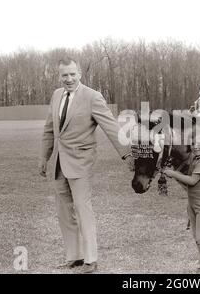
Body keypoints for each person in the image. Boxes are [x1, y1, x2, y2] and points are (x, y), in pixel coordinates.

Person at [38, 57, 134, 274]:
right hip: (58, 164)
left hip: (81, 162)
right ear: (59, 76)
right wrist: (44, 158)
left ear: (80, 73)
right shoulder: (56, 95)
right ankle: (74, 257)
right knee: (64, 212)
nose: (69, 79)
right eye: (64, 75)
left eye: (72, 74)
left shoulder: (92, 96)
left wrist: (127, 155)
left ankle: (91, 259)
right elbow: (49, 130)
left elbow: (110, 126)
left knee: (83, 209)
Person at [163, 140, 200, 274]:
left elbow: (192, 180)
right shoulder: (195, 159)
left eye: (199, 143)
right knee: (198, 238)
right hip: (194, 204)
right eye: (193, 143)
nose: (196, 146)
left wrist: (173, 174)